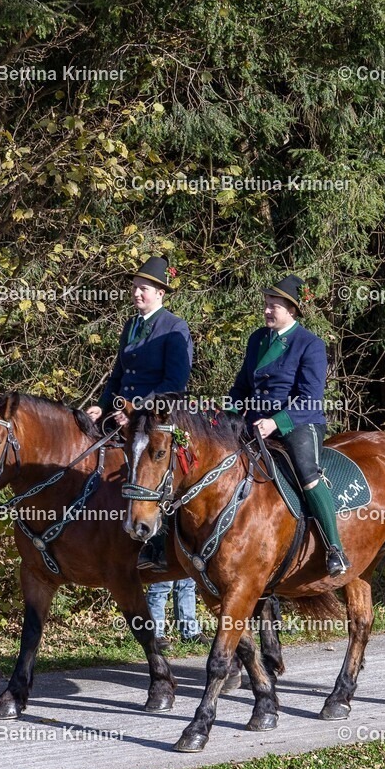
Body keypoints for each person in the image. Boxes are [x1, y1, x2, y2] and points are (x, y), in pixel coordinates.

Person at [85, 255, 205, 642]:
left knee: (154, 477)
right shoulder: (131, 325)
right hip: (126, 416)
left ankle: (159, 549)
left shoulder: (175, 327)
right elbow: (118, 375)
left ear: (160, 292)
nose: (137, 292)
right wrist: (103, 405)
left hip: (158, 419)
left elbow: (176, 381)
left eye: (144, 287)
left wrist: (137, 409)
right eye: (134, 286)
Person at [228, 274, 351, 577]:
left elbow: (310, 398)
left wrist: (276, 421)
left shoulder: (310, 344)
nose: (268, 310)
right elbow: (242, 386)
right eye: (267, 304)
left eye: (275, 306)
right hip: (254, 421)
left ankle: (335, 549)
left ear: (292, 311)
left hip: (298, 422)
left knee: (308, 474)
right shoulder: (257, 339)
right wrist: (224, 411)